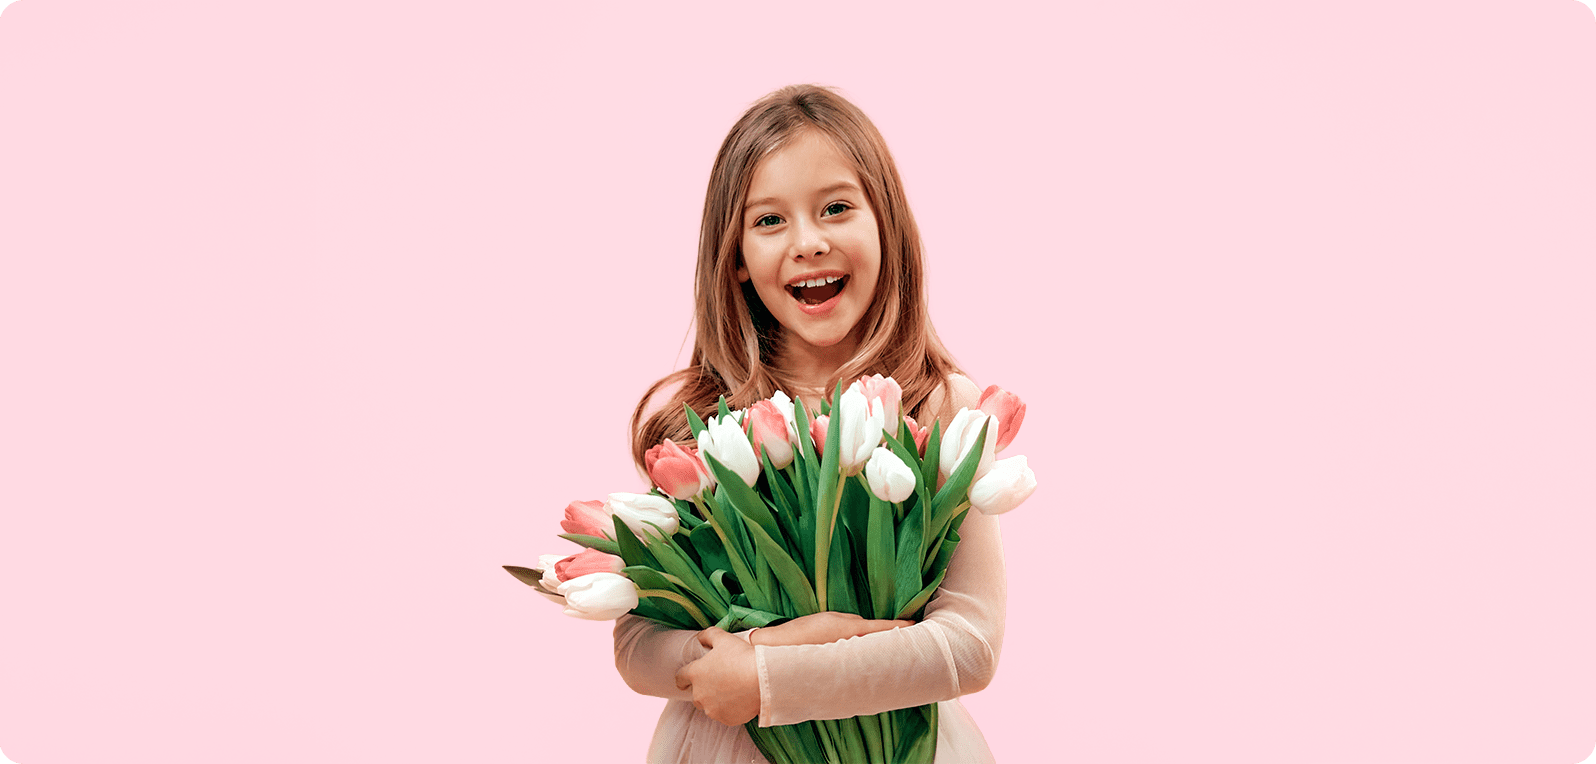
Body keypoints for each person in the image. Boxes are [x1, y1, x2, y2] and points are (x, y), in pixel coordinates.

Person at [616, 84, 1007, 764]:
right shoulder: (703, 424)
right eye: (769, 221)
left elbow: (970, 642)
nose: (808, 242)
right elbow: (634, 642)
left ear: (885, 222)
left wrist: (768, 679)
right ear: (734, 258)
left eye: (836, 208)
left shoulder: (937, 407)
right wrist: (731, 664)